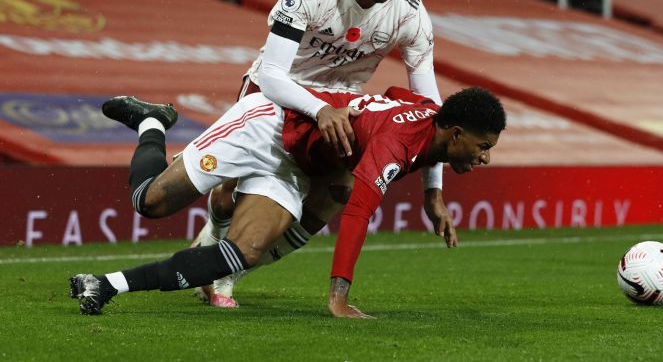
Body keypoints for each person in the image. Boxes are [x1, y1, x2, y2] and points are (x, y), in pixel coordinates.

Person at [193, 0, 448, 307]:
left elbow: (433, 114)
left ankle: (227, 274)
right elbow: (275, 73)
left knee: (336, 192)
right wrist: (317, 109)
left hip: (342, 103)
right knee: (231, 195)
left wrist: (433, 192)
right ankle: (214, 230)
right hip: (276, 90)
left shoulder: (410, 14)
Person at [69, 86, 506, 317]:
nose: (485, 157)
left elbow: (397, 93)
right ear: (455, 134)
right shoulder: (396, 144)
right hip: (267, 129)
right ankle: (151, 121)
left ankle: (107, 284)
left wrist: (434, 194)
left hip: (297, 163)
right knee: (150, 203)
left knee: (244, 253)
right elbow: (357, 216)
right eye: (483, 146)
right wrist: (339, 296)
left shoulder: (429, 118)